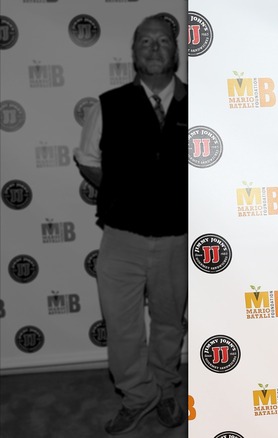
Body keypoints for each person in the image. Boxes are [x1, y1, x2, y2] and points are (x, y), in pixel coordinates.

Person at [73, 14, 188, 435]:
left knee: (169, 323)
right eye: (145, 41)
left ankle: (165, 388)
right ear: (134, 51)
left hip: (177, 238)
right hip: (121, 238)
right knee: (121, 326)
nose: (154, 48)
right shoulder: (108, 104)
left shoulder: (199, 105)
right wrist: (124, 192)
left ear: (176, 51)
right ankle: (138, 396)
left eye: (163, 41)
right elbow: (87, 160)